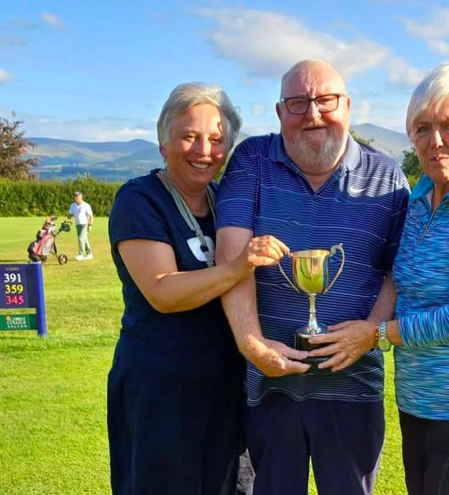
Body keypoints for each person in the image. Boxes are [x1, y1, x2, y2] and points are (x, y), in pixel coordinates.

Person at [313, 63, 449, 495]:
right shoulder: (417, 200)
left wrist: (376, 334)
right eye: (422, 128)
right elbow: (399, 276)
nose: (435, 141)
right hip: (418, 399)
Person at [215, 59, 410, 495]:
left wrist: (370, 334)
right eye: (298, 103)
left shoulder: (388, 177)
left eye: (326, 100)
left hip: (353, 387)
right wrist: (253, 345)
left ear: (348, 106)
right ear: (281, 111)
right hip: (271, 385)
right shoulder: (251, 161)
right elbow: (233, 256)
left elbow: (397, 272)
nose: (314, 113)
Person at [107, 82, 288, 495]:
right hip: (160, 391)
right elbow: (163, 291)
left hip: (224, 387)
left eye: (216, 139)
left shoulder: (226, 200)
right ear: (163, 143)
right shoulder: (140, 199)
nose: (203, 150)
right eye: (189, 136)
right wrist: (240, 265)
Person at [68, 191, 93, 260]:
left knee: (81, 238)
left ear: (81, 197)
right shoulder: (72, 205)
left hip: (84, 224)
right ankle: (89, 253)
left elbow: (91, 216)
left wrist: (90, 225)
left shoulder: (86, 205)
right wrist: (67, 221)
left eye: (77, 196)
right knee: (84, 238)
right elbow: (70, 214)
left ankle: (81, 254)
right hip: (78, 224)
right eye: (75, 196)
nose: (75, 197)